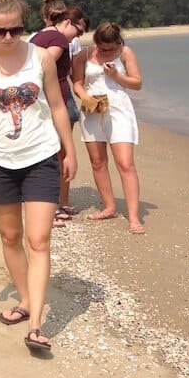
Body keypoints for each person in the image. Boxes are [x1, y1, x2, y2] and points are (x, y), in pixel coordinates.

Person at [0, 0, 76, 352]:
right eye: (0, 31)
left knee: (38, 240)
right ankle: (25, 300)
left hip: (41, 157)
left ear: (25, 27)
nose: (8, 37)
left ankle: (37, 325)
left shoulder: (41, 58)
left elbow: (57, 107)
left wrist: (68, 151)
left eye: (15, 30)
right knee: (10, 238)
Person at [71, 22, 145, 234]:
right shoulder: (84, 54)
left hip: (118, 109)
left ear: (118, 42)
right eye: (102, 48)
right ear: (95, 42)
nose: (105, 52)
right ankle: (109, 206)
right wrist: (85, 97)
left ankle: (133, 217)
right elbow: (77, 81)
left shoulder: (125, 52)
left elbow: (137, 83)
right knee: (97, 162)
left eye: (110, 48)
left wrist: (117, 76)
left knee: (125, 163)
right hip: (92, 108)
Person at [29, 5, 87, 225]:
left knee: (51, 154)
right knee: (54, 156)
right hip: (56, 102)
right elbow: (42, 66)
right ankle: (50, 209)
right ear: (67, 23)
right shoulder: (60, 39)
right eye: (78, 32)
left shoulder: (38, 37)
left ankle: (54, 206)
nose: (77, 38)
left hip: (44, 102)